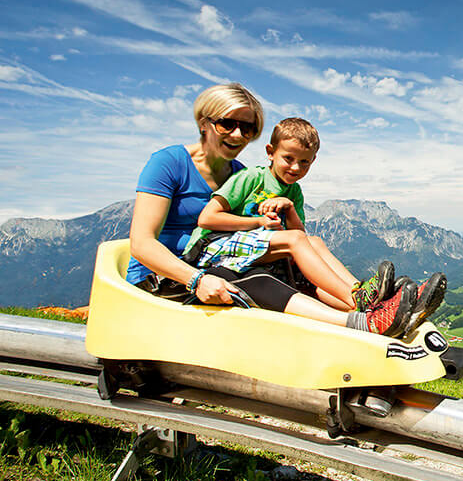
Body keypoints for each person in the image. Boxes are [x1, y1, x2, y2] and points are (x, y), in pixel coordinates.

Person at [127, 82, 440, 338]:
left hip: (227, 262)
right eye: (227, 123)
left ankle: (376, 309)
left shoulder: (240, 173)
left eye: (247, 127)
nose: (238, 134)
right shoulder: (170, 163)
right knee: (273, 270)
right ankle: (366, 313)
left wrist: (281, 219)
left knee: (304, 264)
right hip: (171, 273)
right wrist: (196, 279)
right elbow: (142, 243)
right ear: (203, 123)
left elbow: (285, 232)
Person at [184, 117, 444, 336]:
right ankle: (361, 301)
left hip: (250, 251)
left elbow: (301, 236)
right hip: (212, 249)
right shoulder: (252, 178)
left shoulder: (294, 191)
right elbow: (207, 219)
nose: (296, 167)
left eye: (305, 162)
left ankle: (366, 297)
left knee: (315, 242)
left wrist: (288, 207)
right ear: (270, 152)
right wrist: (258, 221)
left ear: (313, 161)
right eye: (288, 158)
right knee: (298, 242)